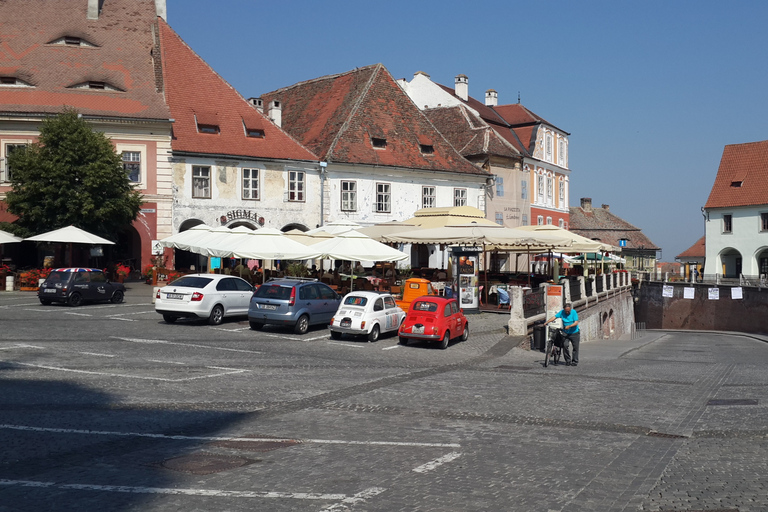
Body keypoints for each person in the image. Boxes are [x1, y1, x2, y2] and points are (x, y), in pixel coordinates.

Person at [544, 302, 580, 366]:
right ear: (564, 309)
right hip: (565, 333)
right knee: (565, 346)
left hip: (574, 333)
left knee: (575, 347)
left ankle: (575, 361)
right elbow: (554, 317)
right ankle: (568, 360)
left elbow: (576, 322)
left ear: (570, 309)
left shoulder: (574, 312)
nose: (567, 312)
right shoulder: (562, 312)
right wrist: (547, 322)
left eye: (568, 311)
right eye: (566, 311)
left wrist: (569, 326)